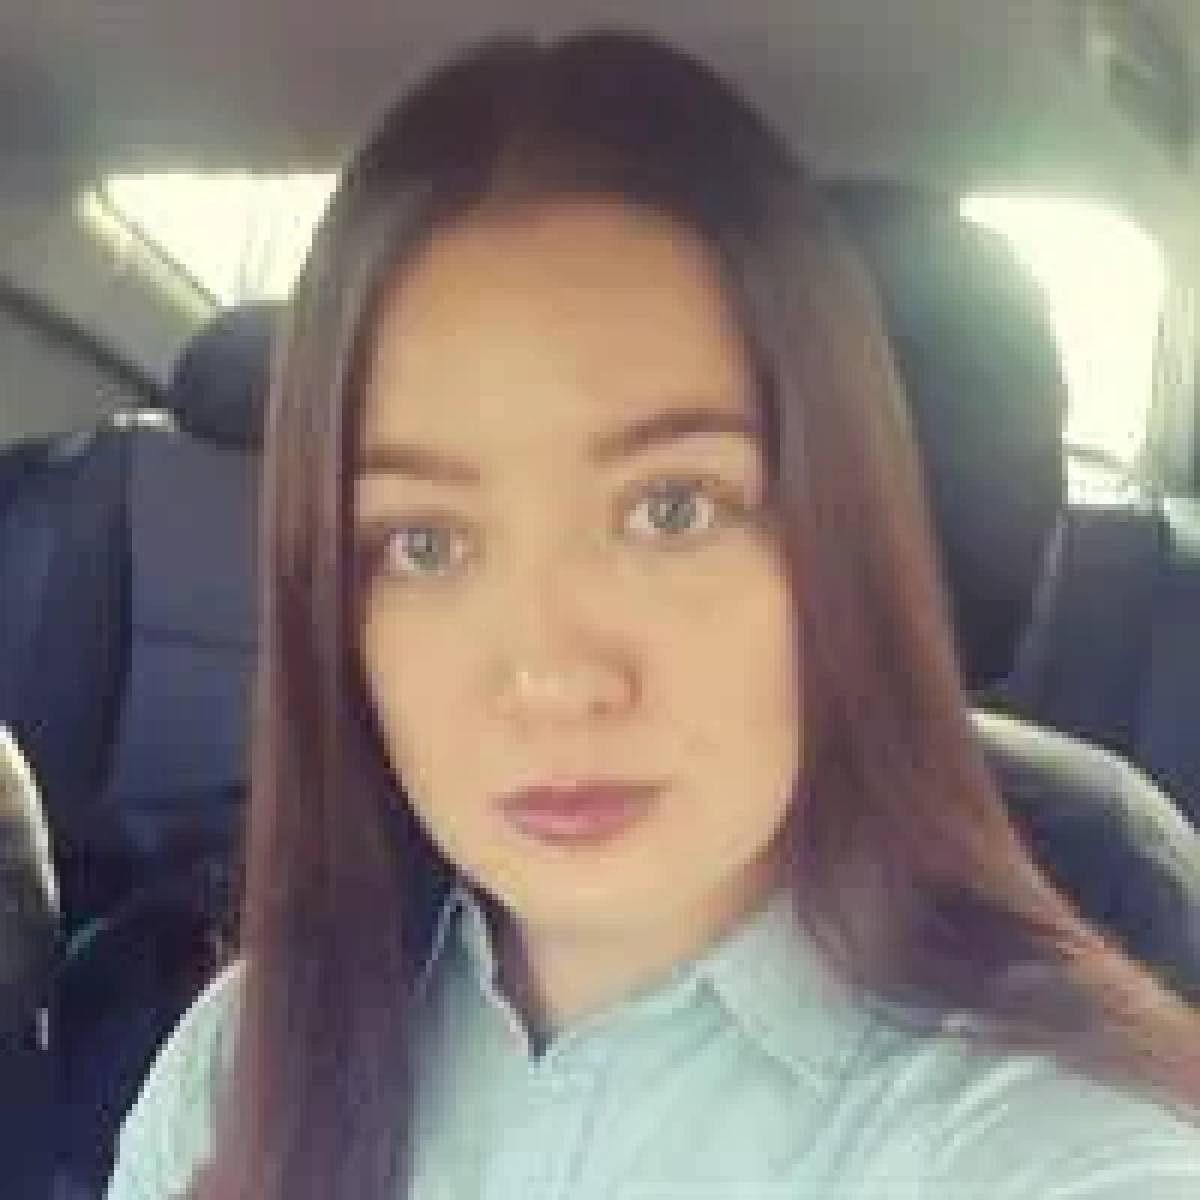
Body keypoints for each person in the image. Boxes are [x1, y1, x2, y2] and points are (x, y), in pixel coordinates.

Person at [106, 30, 1199, 1200]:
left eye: (672, 511)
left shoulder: (1038, 1148)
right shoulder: (236, 1070)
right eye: (425, 544)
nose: (553, 679)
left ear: (836, 543)